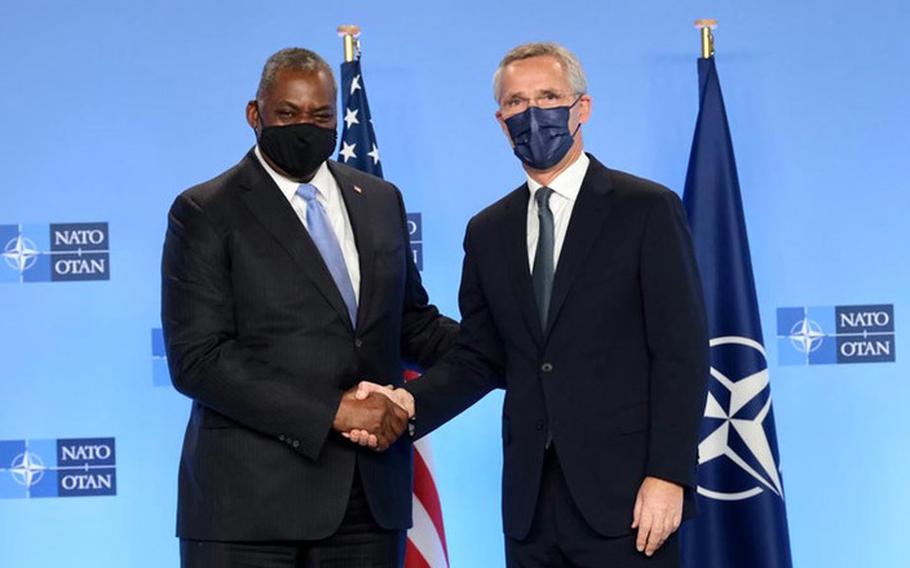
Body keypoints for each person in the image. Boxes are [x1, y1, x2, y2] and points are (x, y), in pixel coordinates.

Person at [350, 42, 709, 567]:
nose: (532, 113)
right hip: (531, 506)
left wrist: (670, 474)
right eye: (517, 103)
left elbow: (682, 352)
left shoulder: (647, 210)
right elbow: (481, 356)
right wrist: (407, 405)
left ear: (581, 108)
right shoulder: (488, 231)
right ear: (501, 122)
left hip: (630, 499)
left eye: (548, 96)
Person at [161, 47, 457, 568]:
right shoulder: (205, 210)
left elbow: (410, 324)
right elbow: (199, 359)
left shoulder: (380, 199)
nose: (306, 127)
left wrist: (509, 346)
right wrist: (336, 412)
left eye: (321, 116)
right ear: (255, 115)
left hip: (369, 504)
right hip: (249, 513)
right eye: (288, 114)